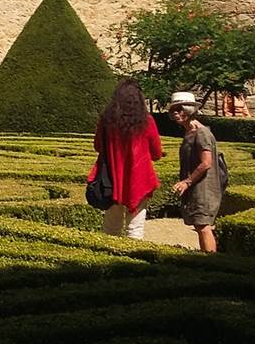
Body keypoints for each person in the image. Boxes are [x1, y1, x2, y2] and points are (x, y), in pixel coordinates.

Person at [91, 78, 163, 239]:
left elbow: (98, 146)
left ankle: (108, 258)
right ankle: (132, 263)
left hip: (111, 179)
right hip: (139, 178)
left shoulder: (107, 120)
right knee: (135, 228)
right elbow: (156, 153)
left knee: (111, 227)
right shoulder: (146, 121)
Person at [168, 91, 224, 253]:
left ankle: (210, 262)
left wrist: (187, 181)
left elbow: (206, 163)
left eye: (180, 109)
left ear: (189, 110)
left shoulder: (201, 133)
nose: (176, 114)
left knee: (203, 226)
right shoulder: (190, 132)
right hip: (198, 187)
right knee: (200, 225)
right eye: (173, 111)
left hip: (204, 188)